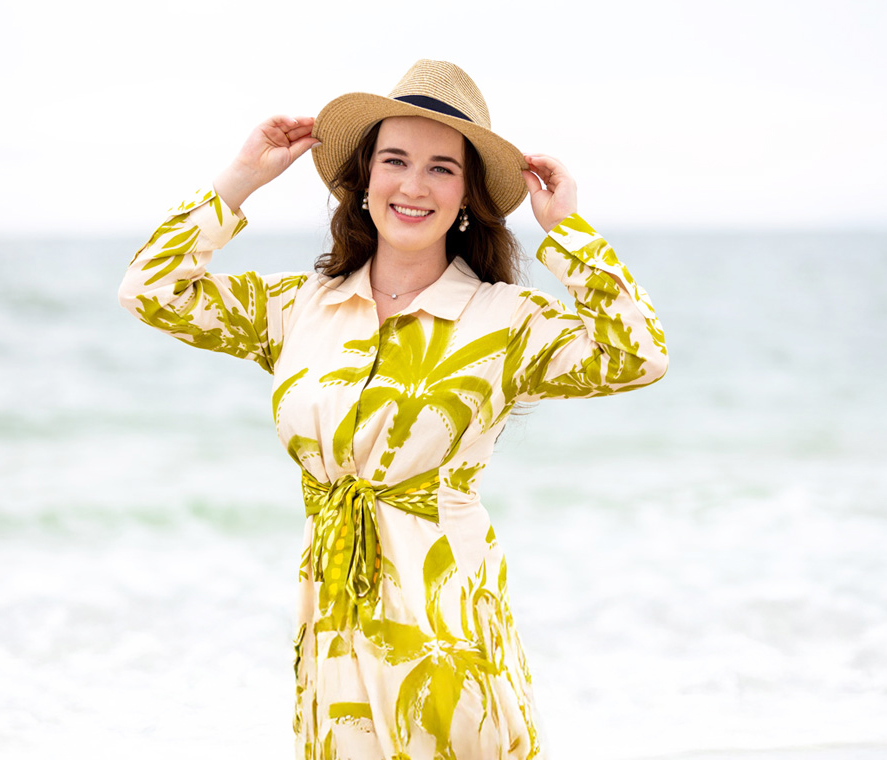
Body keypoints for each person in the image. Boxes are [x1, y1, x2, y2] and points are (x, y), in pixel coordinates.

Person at [119, 59, 667, 760]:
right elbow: (150, 290)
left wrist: (568, 232)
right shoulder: (297, 308)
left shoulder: (505, 320)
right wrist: (242, 177)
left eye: (441, 168)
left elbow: (639, 355)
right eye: (395, 160)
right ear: (363, 180)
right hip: (334, 622)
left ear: (467, 194)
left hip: (447, 623)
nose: (413, 185)